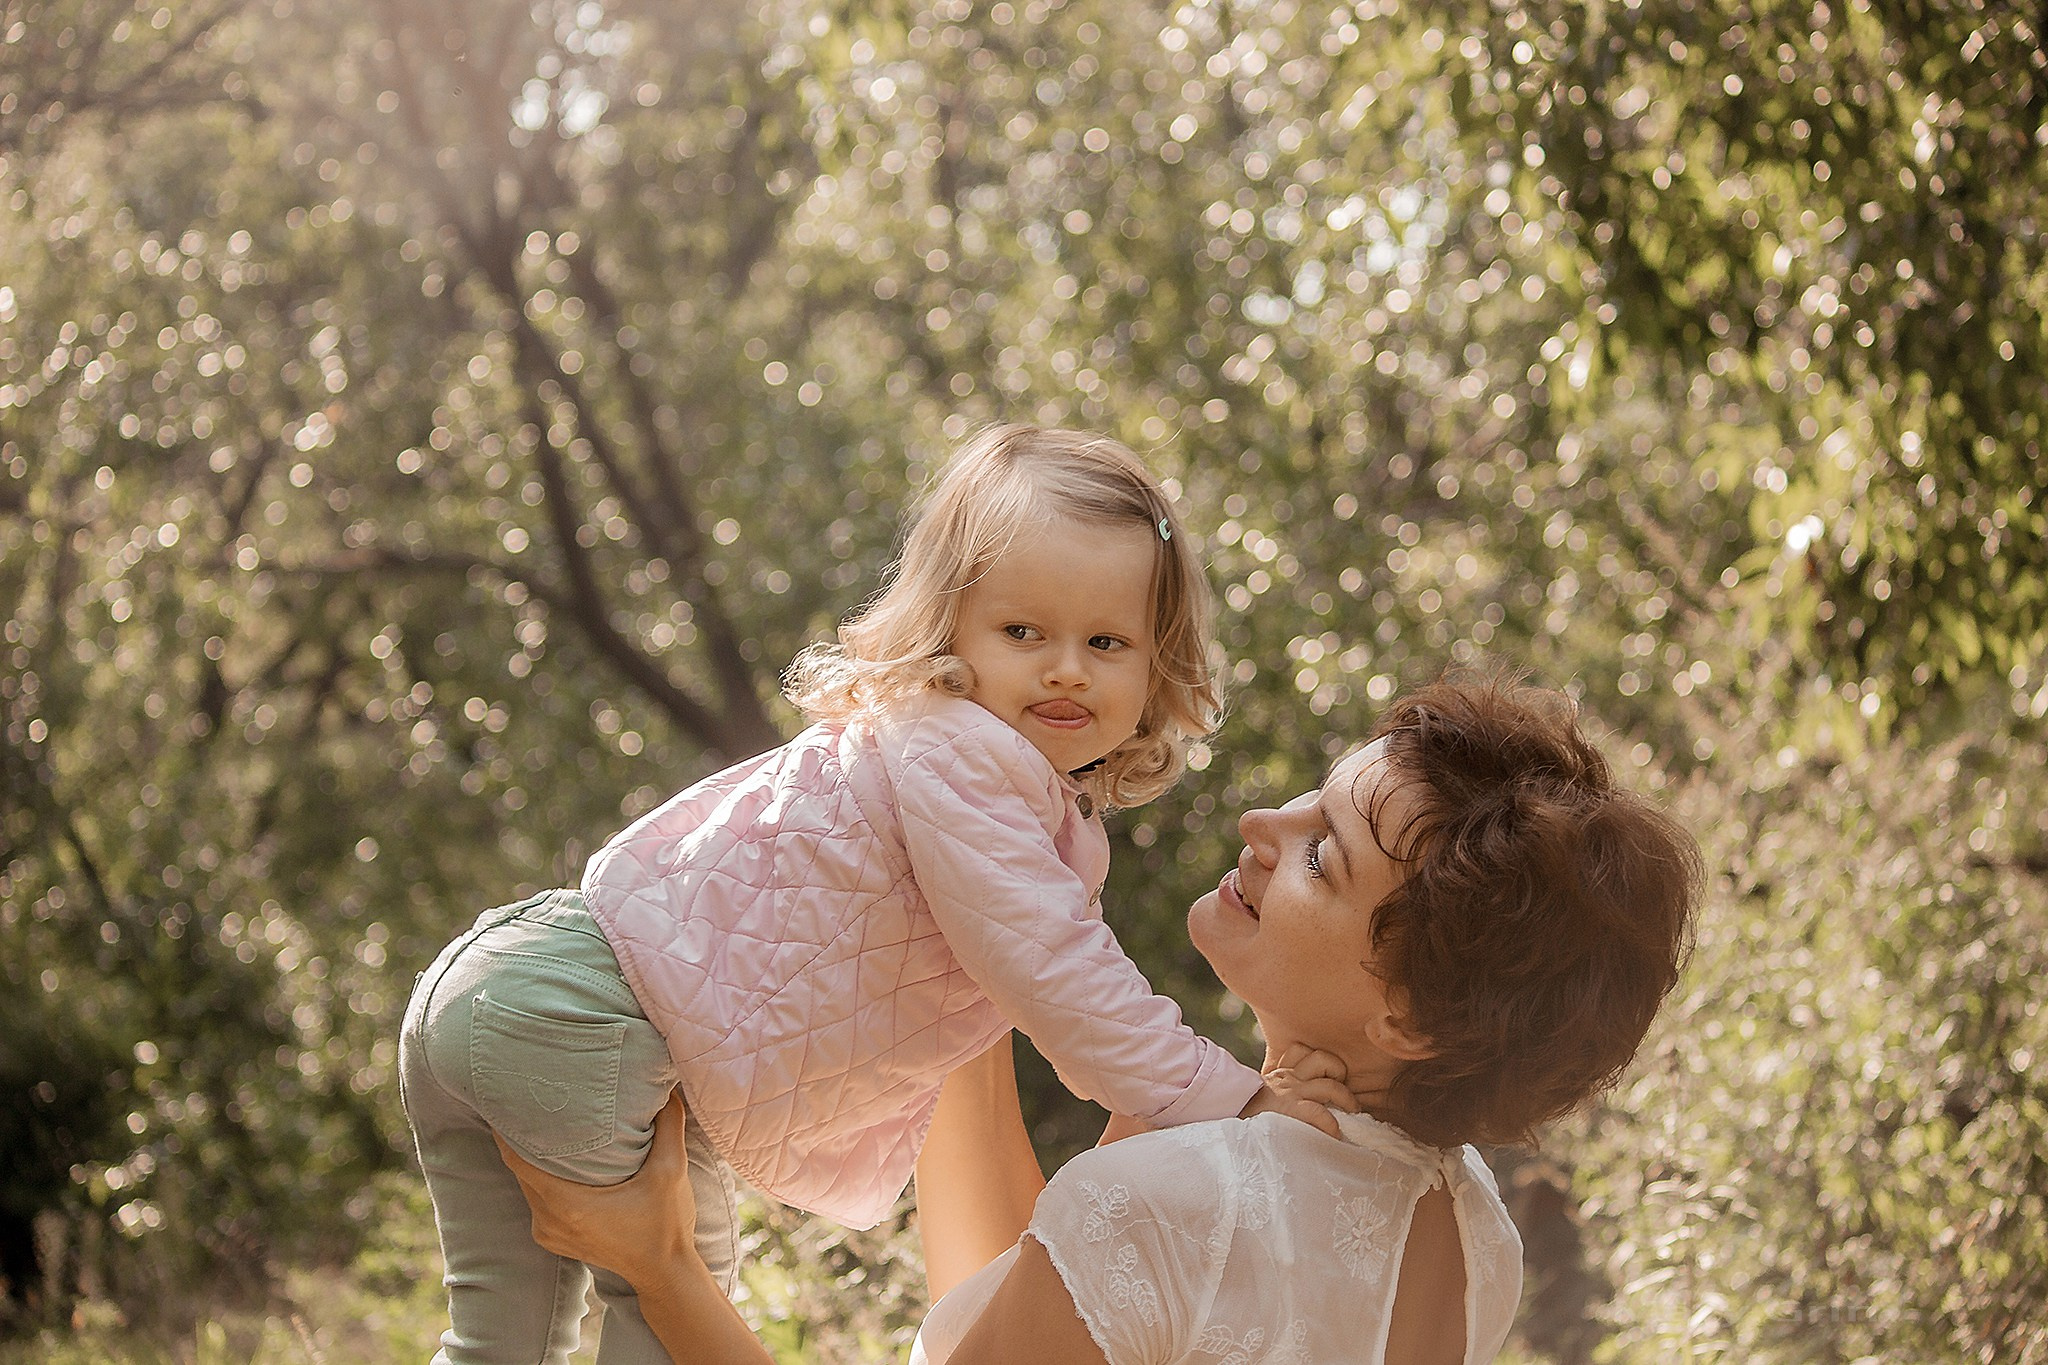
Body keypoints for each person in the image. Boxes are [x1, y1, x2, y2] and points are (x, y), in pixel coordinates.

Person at [398, 425, 1337, 1365]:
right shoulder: (963, 754)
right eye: (1022, 632)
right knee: (673, 1295)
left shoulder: (951, 762)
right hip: (593, 1018)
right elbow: (1059, 970)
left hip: (510, 983)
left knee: (500, 1341)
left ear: (1156, 662)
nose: (1065, 667)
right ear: (948, 628)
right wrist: (1231, 1099)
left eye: (1106, 640)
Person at [497, 675, 1704, 1364]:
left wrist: (662, 1270)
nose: (1262, 828)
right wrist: (974, 939)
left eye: (1321, 856)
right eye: (1310, 800)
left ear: (1412, 1020)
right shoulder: (1469, 1230)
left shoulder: (1181, 1196)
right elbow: (1019, 1308)